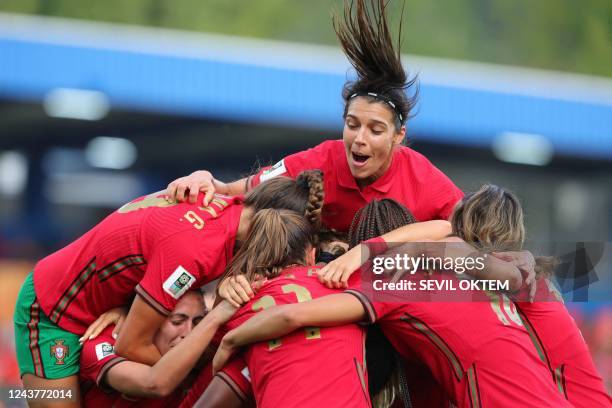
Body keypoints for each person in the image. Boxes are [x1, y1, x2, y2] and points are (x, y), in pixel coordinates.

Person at [213, 195, 572, 407]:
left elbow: (292, 316)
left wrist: (230, 334)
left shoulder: (392, 285)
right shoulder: (485, 287)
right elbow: (456, 240)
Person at [12, 170, 323, 407]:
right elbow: (138, 355)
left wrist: (125, 306)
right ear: (273, 229)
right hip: (54, 311)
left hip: (109, 306)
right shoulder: (195, 251)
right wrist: (195, 372)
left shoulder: (229, 206)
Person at [165, 0, 463, 235]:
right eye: (352, 125)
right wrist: (202, 178)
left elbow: (472, 236)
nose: (359, 139)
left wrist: (389, 252)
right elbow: (234, 193)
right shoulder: (321, 160)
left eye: (375, 130)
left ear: (398, 136)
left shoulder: (422, 178)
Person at [80, 291, 235, 407]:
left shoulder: (199, 356)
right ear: (150, 319)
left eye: (198, 322)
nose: (188, 333)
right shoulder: (103, 340)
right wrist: (215, 316)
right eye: (177, 321)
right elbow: (153, 383)